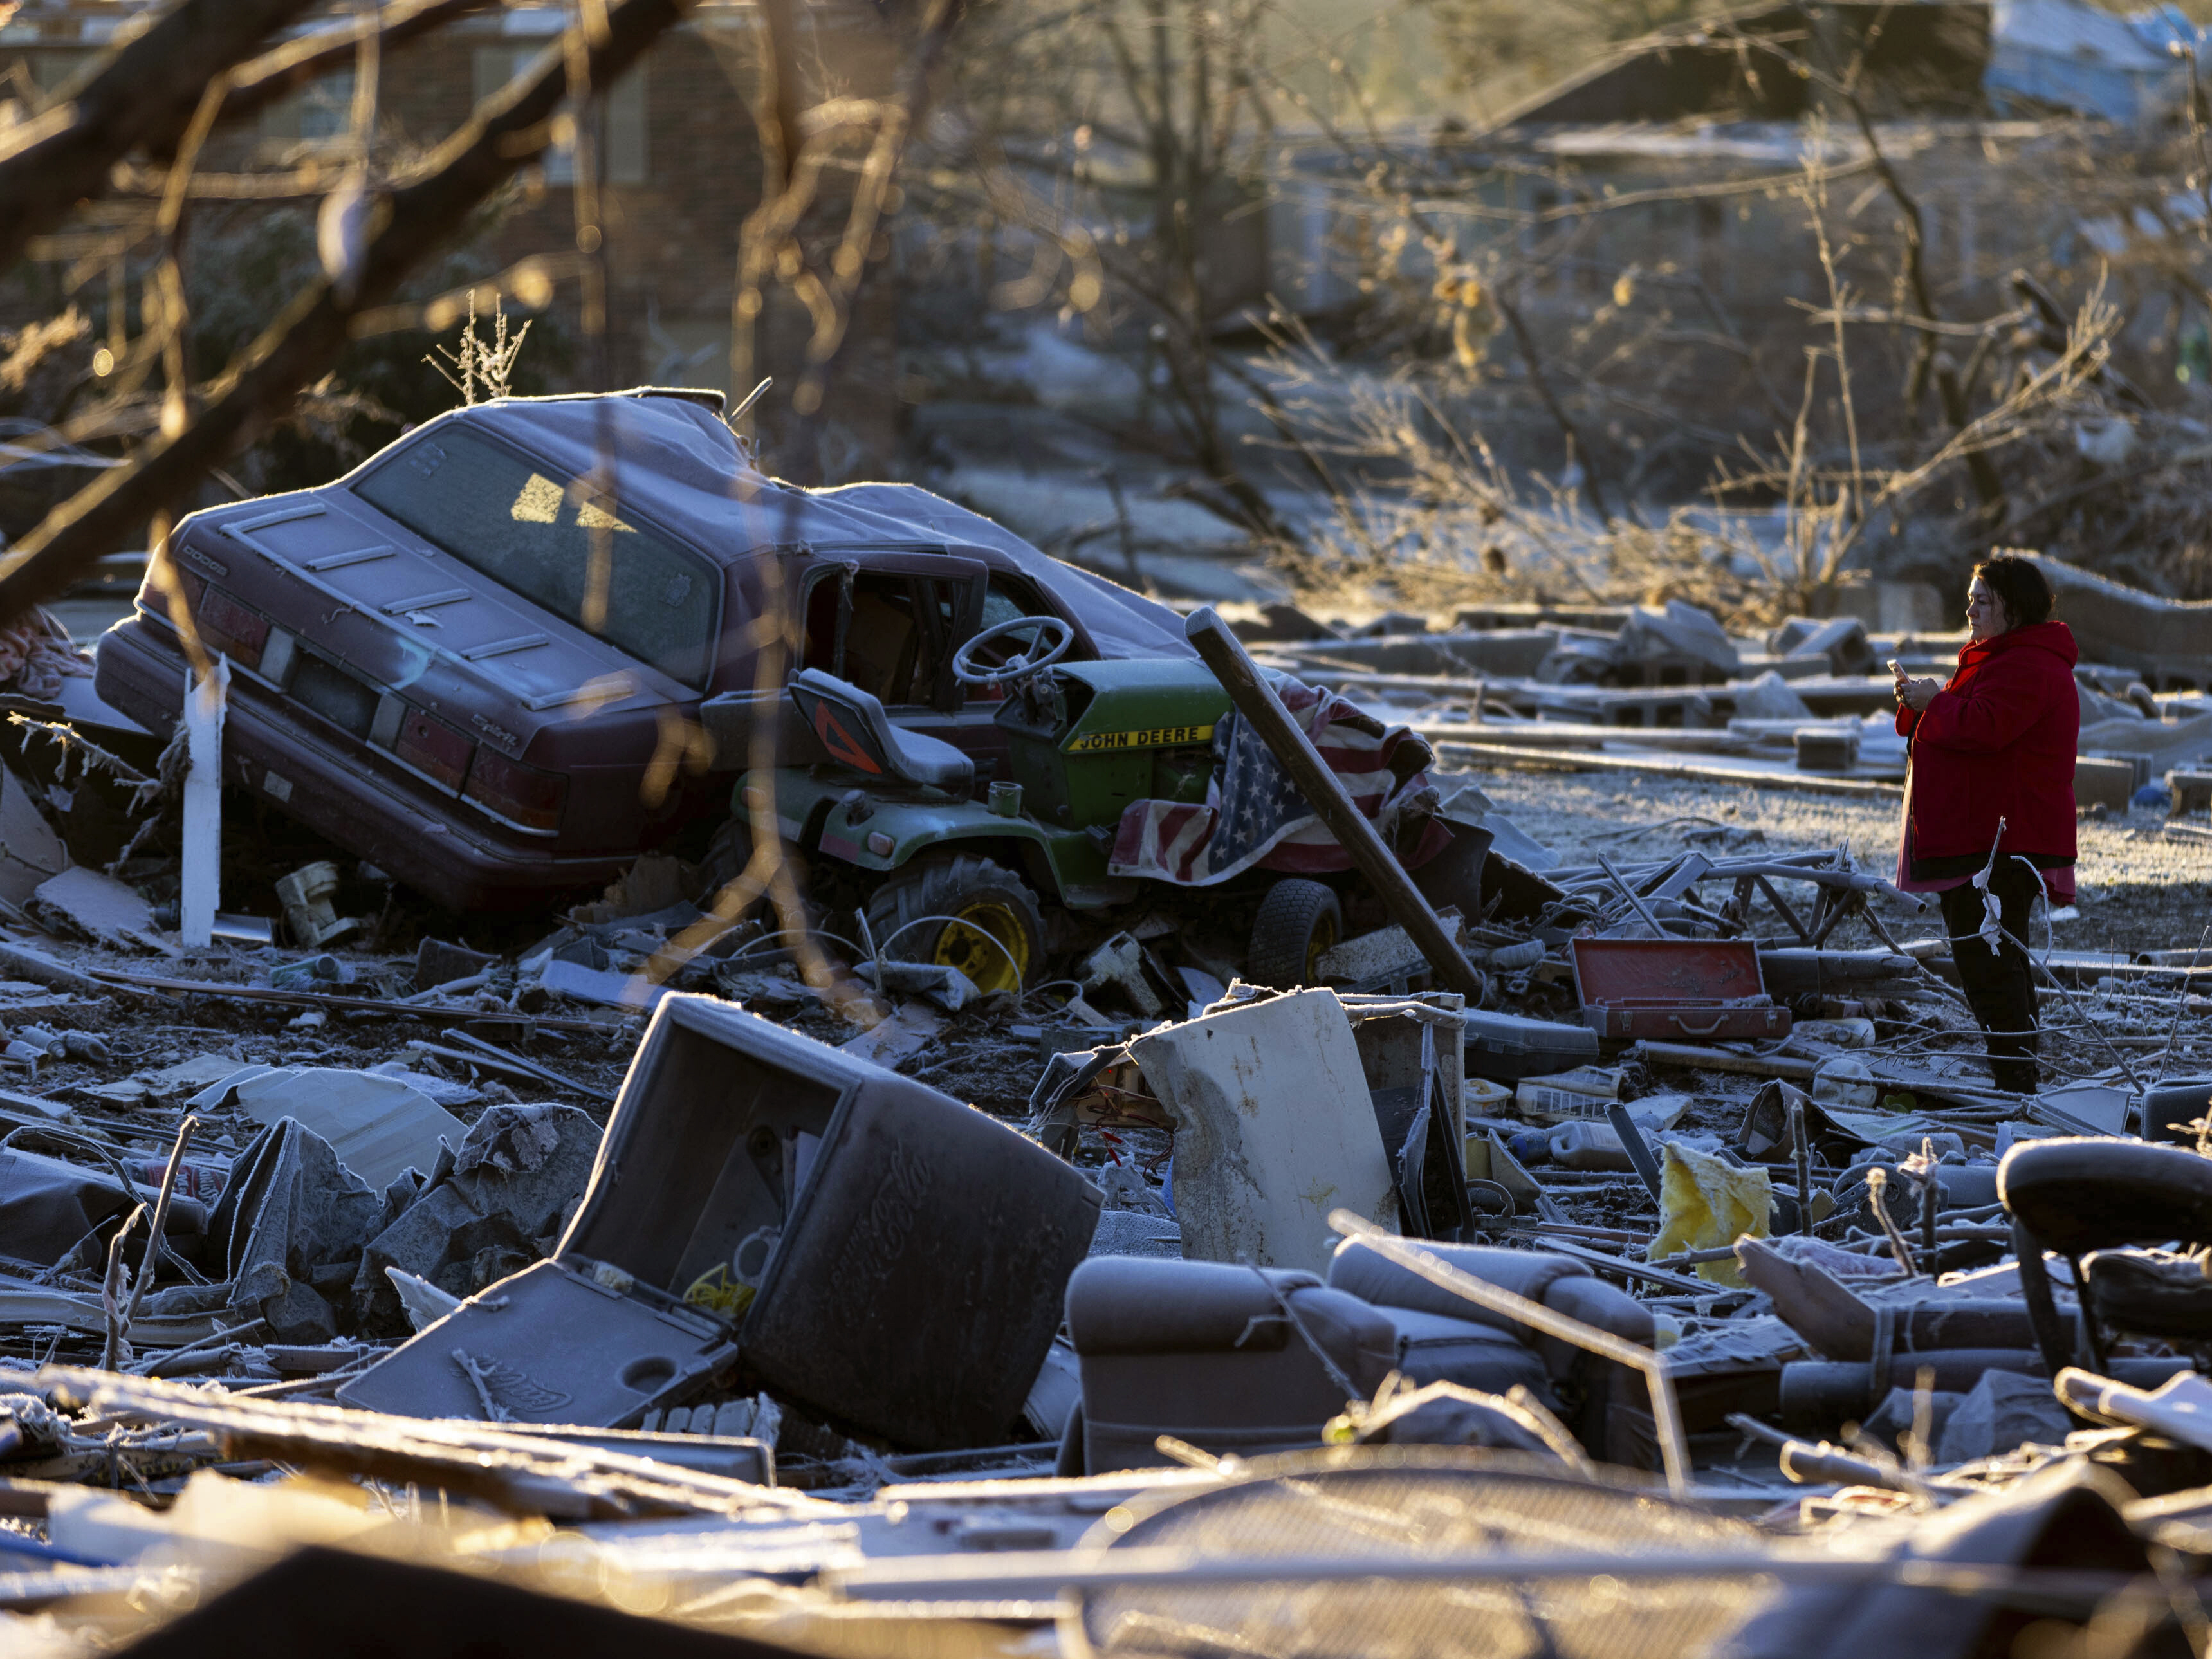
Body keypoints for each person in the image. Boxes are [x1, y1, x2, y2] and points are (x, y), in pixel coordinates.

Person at [1892, 555, 2079, 1094]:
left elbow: (1985, 727)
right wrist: (1922, 704)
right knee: (1993, 956)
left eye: (1983, 600)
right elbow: (1964, 719)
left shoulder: (2029, 665)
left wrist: (1937, 701)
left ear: (2013, 609)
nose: (1969, 608)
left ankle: (2016, 1082)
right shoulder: (2000, 658)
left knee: (1990, 959)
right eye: (1971, 597)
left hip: (1999, 839)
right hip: (1980, 836)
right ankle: (2016, 1075)